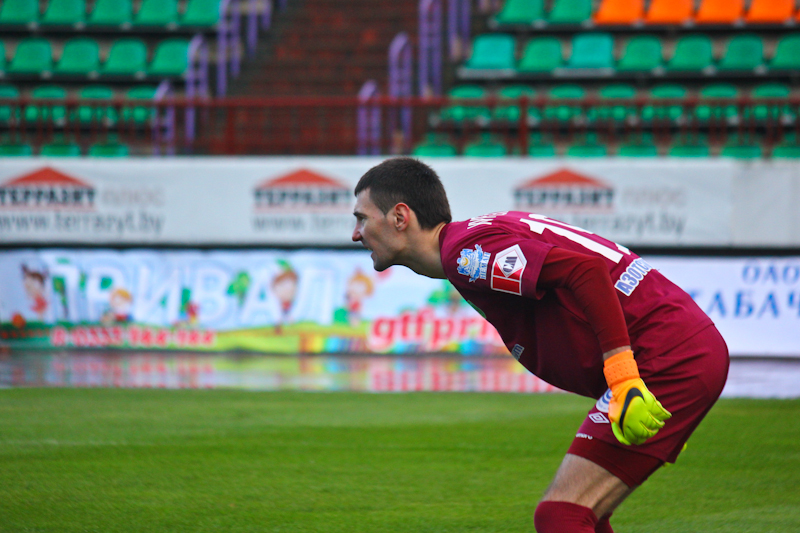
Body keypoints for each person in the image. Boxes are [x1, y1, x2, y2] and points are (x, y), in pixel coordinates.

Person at [351, 157, 729, 533]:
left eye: (362, 218)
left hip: (667, 355)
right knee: (585, 515)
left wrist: (624, 378)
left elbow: (586, 271)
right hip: (677, 345)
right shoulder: (470, 242)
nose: (356, 233)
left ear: (400, 217)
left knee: (561, 515)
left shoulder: (466, 255)